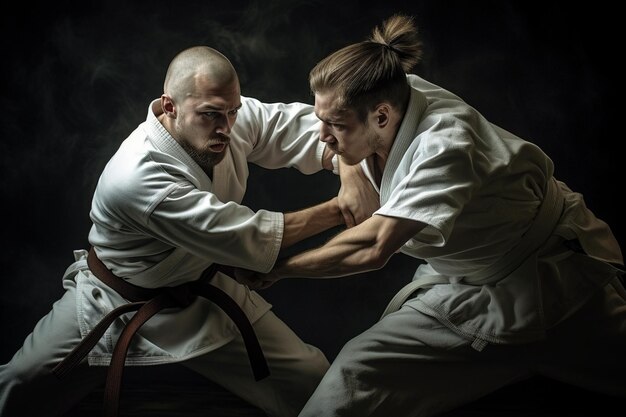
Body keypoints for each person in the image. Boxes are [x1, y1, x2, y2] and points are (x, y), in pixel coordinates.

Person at [236, 14, 626, 417]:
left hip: (558, 281)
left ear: (382, 117)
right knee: (357, 373)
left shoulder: (445, 145)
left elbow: (373, 246)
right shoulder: (390, 96)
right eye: (322, 120)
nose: (323, 136)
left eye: (334, 126)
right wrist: (350, 171)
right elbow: (309, 127)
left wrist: (281, 268)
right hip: (464, 286)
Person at [0, 45, 350, 417]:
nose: (226, 128)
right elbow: (239, 235)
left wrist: (345, 160)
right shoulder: (136, 176)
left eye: (233, 112)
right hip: (115, 299)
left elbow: (297, 129)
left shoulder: (224, 115)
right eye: (212, 116)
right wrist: (341, 208)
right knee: (16, 388)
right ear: (170, 107)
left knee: (312, 379)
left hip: (202, 290)